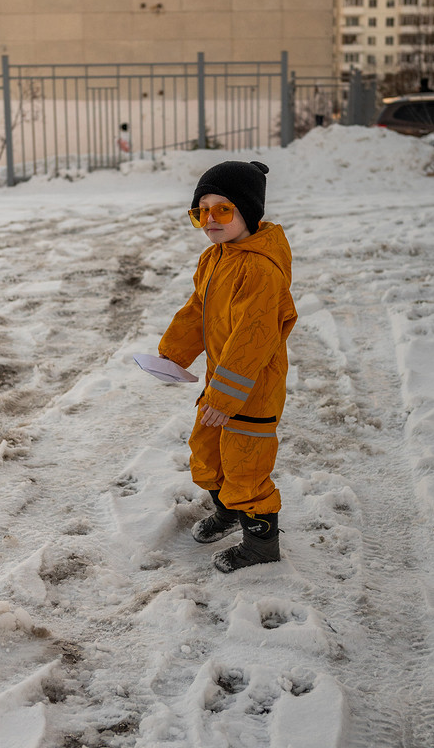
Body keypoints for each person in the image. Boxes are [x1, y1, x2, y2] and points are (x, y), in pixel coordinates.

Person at [158, 160, 297, 573]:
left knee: (245, 465)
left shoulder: (259, 269)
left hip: (249, 388)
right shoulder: (215, 258)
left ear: (249, 213)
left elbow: (252, 341)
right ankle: (229, 511)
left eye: (223, 209)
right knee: (207, 451)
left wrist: (225, 395)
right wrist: (173, 353)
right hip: (223, 382)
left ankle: (260, 544)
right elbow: (198, 311)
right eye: (201, 210)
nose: (209, 220)